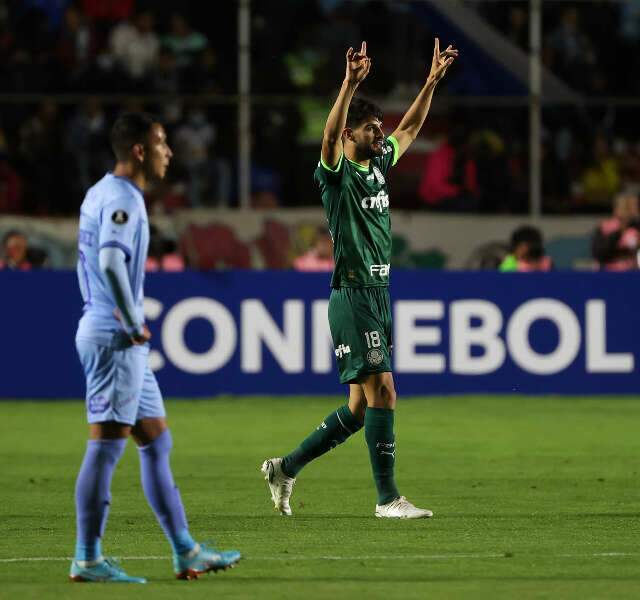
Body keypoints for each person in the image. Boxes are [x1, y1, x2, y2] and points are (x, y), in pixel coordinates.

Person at [262, 40, 458, 519]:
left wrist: (430, 82)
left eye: (379, 129)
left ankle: (285, 468)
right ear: (351, 133)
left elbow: (411, 127)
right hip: (352, 294)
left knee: (357, 408)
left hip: (379, 292)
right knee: (385, 390)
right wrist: (349, 84)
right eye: (372, 128)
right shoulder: (338, 174)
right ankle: (387, 498)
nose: (381, 133)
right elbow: (328, 140)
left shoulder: (379, 166)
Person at [71, 113, 240, 583]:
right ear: (141, 151)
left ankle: (186, 550)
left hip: (112, 335)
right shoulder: (125, 198)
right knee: (105, 448)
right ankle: (87, 558)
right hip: (115, 337)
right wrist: (131, 319)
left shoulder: (99, 191)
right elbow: (108, 259)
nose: (170, 151)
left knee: (156, 441)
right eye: (162, 143)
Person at [592, 192, 640, 270]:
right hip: (609, 273)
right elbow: (599, 253)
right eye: (626, 207)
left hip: (632, 274)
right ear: (616, 209)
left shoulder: (636, 227)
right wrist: (620, 230)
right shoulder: (605, 227)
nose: (631, 210)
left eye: (634, 206)